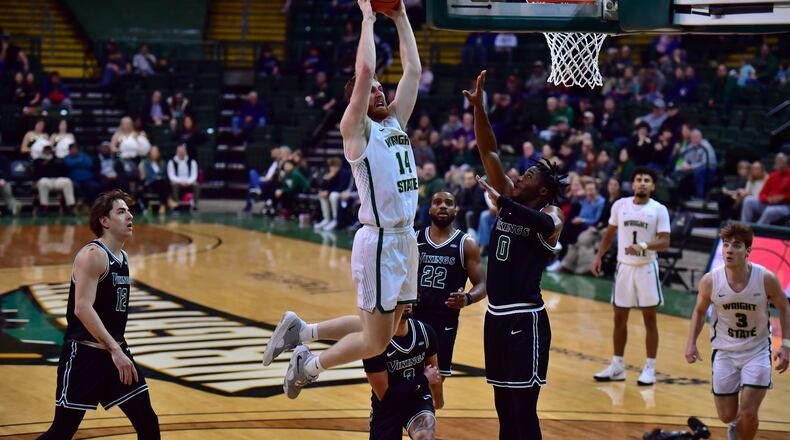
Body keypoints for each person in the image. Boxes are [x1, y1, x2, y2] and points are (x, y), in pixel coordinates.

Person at [262, 0, 422, 400]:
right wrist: (368, 18)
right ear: (359, 100)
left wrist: (400, 18)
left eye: (384, 89)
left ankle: (305, 332)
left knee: (384, 329)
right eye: (374, 91)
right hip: (379, 240)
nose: (381, 91)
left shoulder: (394, 122)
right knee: (376, 343)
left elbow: (415, 71)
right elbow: (365, 71)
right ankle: (308, 364)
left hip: (406, 238)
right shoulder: (357, 130)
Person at [465, 70, 565, 440]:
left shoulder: (552, 214)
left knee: (525, 411)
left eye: (529, 177)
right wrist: (479, 109)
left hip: (527, 319)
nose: (520, 177)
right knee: (504, 410)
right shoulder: (510, 195)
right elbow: (488, 149)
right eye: (522, 174)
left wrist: (503, 200)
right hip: (495, 317)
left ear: (543, 192)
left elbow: (543, 225)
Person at [37, 190, 160, 439]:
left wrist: (117, 350)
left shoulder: (122, 257)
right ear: (105, 221)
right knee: (62, 431)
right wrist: (116, 350)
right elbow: (82, 308)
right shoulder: (92, 256)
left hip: (115, 354)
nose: (130, 215)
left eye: (129, 210)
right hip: (85, 356)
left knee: (147, 421)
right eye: (121, 211)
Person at [685, 223, 789, 440]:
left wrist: (786, 346)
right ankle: (734, 425)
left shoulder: (766, 278)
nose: (729, 250)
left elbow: (785, 309)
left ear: (748, 251)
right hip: (724, 351)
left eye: (736, 245)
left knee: (749, 412)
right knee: (727, 415)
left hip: (757, 351)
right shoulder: (710, 280)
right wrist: (691, 343)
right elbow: (699, 311)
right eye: (725, 245)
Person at [591, 167, 671, 386]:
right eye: (639, 179)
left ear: (653, 186)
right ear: (633, 184)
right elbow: (608, 235)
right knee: (619, 318)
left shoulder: (659, 209)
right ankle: (617, 366)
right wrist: (598, 257)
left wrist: (643, 245)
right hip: (624, 267)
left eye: (647, 180)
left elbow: (665, 241)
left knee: (649, 319)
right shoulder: (620, 205)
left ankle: (650, 368)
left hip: (646, 267)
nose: (642, 183)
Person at [413, 191, 486, 378]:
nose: (443, 206)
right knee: (406, 375)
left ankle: (429, 407)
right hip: (413, 318)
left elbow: (483, 284)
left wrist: (468, 298)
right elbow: (398, 275)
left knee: (436, 378)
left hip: (444, 321)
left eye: (448, 203)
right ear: (429, 210)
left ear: (456, 210)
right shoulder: (414, 239)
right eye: (437, 202)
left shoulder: (466, 243)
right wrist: (406, 291)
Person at [364, 304, 443, 440]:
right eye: (400, 299)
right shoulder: (374, 343)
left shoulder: (424, 331)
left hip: (417, 399)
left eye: (408, 296)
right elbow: (386, 396)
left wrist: (439, 400)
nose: (407, 302)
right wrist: (424, 379)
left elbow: (434, 373)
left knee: (425, 435)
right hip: (387, 406)